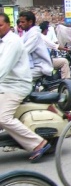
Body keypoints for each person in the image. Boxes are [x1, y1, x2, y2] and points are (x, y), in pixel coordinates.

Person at [0, 13, 51, 161]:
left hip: (16, 86)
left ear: (8, 26)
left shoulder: (13, 42)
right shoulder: (3, 42)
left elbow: (3, 68)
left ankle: (39, 144)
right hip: (5, 84)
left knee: (3, 117)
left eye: (0, 25)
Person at [17, 11, 53, 80]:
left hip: (40, 67)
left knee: (17, 78)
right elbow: (17, 45)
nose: (20, 24)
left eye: (23, 22)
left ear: (30, 22)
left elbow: (24, 50)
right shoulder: (27, 34)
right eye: (20, 22)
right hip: (31, 66)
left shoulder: (35, 34)